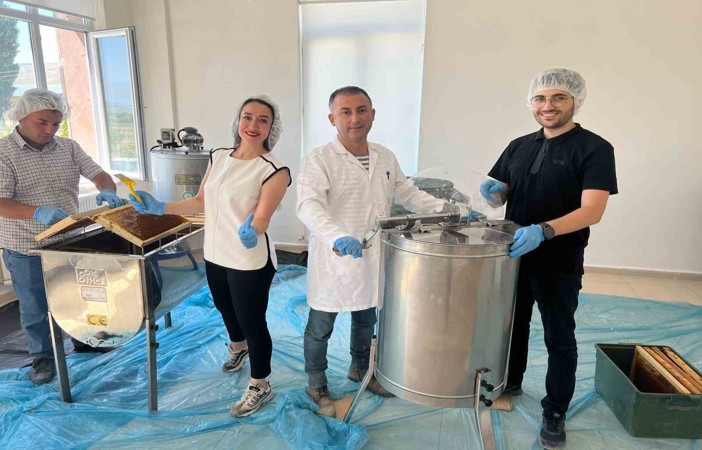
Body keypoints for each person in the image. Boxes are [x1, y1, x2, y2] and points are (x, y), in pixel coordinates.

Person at [296, 86, 463, 418]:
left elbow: (408, 193)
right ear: (332, 118)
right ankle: (316, 383)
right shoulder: (319, 158)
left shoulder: (384, 156)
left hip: (373, 256)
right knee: (320, 326)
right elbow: (308, 205)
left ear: (372, 114)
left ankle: (361, 368)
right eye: (345, 112)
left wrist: (447, 209)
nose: (354, 119)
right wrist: (337, 236)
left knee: (366, 318)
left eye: (361, 110)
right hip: (335, 257)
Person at [480, 68, 617, 449]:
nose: (548, 105)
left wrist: (544, 230)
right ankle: (511, 381)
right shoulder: (518, 145)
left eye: (558, 97)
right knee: (512, 326)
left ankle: (555, 412)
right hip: (513, 255)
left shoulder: (594, 148)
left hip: (559, 260)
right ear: (531, 103)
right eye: (540, 98)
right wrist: (491, 193)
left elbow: (592, 210)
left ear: (575, 101)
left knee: (559, 338)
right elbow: (501, 194)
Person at [129, 95, 291, 418]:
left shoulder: (274, 170)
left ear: (272, 128)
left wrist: (253, 230)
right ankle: (238, 347)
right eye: (248, 117)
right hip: (216, 252)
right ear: (238, 121)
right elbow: (200, 200)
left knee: (252, 320)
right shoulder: (218, 156)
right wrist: (161, 207)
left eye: (263, 120)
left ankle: (260, 384)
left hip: (249, 259)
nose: (253, 125)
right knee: (223, 305)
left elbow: (262, 218)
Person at [0, 88, 126, 385]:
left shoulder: (68, 147)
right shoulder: (4, 153)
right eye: (42, 122)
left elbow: (99, 174)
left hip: (67, 240)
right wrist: (36, 212)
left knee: (77, 296)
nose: (50, 130)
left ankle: (86, 339)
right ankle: (43, 357)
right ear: (21, 117)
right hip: (26, 246)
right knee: (35, 307)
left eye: (56, 124)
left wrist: (107, 190)